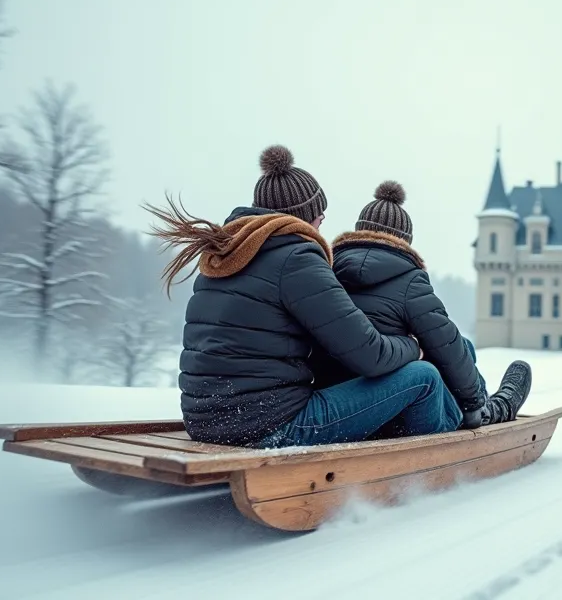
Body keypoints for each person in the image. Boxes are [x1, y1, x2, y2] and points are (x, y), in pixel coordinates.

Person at [144, 145, 464, 448]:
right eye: (320, 213)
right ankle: (446, 455)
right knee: (424, 376)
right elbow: (371, 355)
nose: (322, 221)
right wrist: (413, 346)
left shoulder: (226, 254)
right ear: (304, 215)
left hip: (204, 422)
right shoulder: (296, 258)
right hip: (272, 427)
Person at [315, 180, 531, 430]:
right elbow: (445, 343)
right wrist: (473, 403)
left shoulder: (327, 272)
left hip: (339, 402)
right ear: (404, 241)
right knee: (451, 350)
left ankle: (482, 403)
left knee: (463, 346)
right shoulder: (409, 280)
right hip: (397, 412)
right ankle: (491, 410)